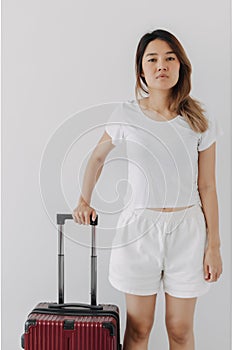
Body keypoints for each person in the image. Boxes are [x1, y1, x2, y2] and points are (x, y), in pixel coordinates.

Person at [72, 29, 223, 350]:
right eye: (152, 59)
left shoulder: (200, 119)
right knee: (139, 329)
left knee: (180, 330)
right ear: (141, 70)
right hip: (138, 232)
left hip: (188, 233)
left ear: (181, 66)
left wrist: (214, 247)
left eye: (170, 58)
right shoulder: (127, 114)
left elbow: (208, 186)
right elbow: (97, 157)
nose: (161, 66)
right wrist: (84, 199)